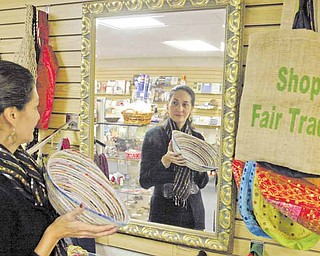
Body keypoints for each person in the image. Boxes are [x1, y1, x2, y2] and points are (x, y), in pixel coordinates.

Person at [0, 60, 118, 256]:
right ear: (12, 115)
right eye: (35, 107)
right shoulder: (4, 187)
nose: (38, 117)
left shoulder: (23, 165)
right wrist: (54, 234)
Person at [139, 85, 209, 230]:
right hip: (163, 214)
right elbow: (144, 181)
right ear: (167, 105)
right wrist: (165, 161)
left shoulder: (197, 138)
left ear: (192, 108)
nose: (180, 109)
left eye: (185, 104)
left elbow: (202, 183)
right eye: (175, 103)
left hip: (193, 213)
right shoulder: (154, 136)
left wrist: (200, 166)